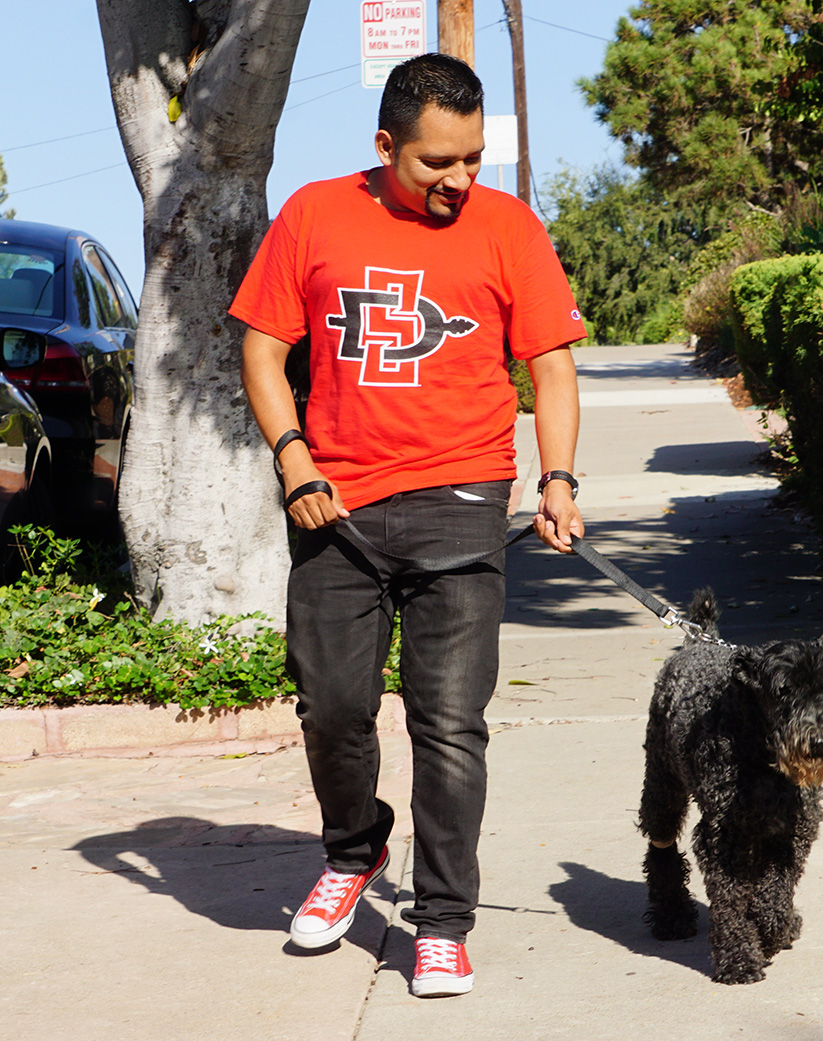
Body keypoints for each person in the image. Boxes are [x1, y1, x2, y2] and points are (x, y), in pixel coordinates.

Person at [233, 52, 585, 999]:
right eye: (437, 162)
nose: (459, 181)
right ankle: (354, 852)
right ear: (386, 145)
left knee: (449, 724)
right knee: (333, 709)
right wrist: (293, 458)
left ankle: (442, 921)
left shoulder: (508, 227)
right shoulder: (313, 214)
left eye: (472, 159)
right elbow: (262, 351)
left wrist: (555, 477)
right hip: (335, 507)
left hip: (463, 499)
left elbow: (551, 367)